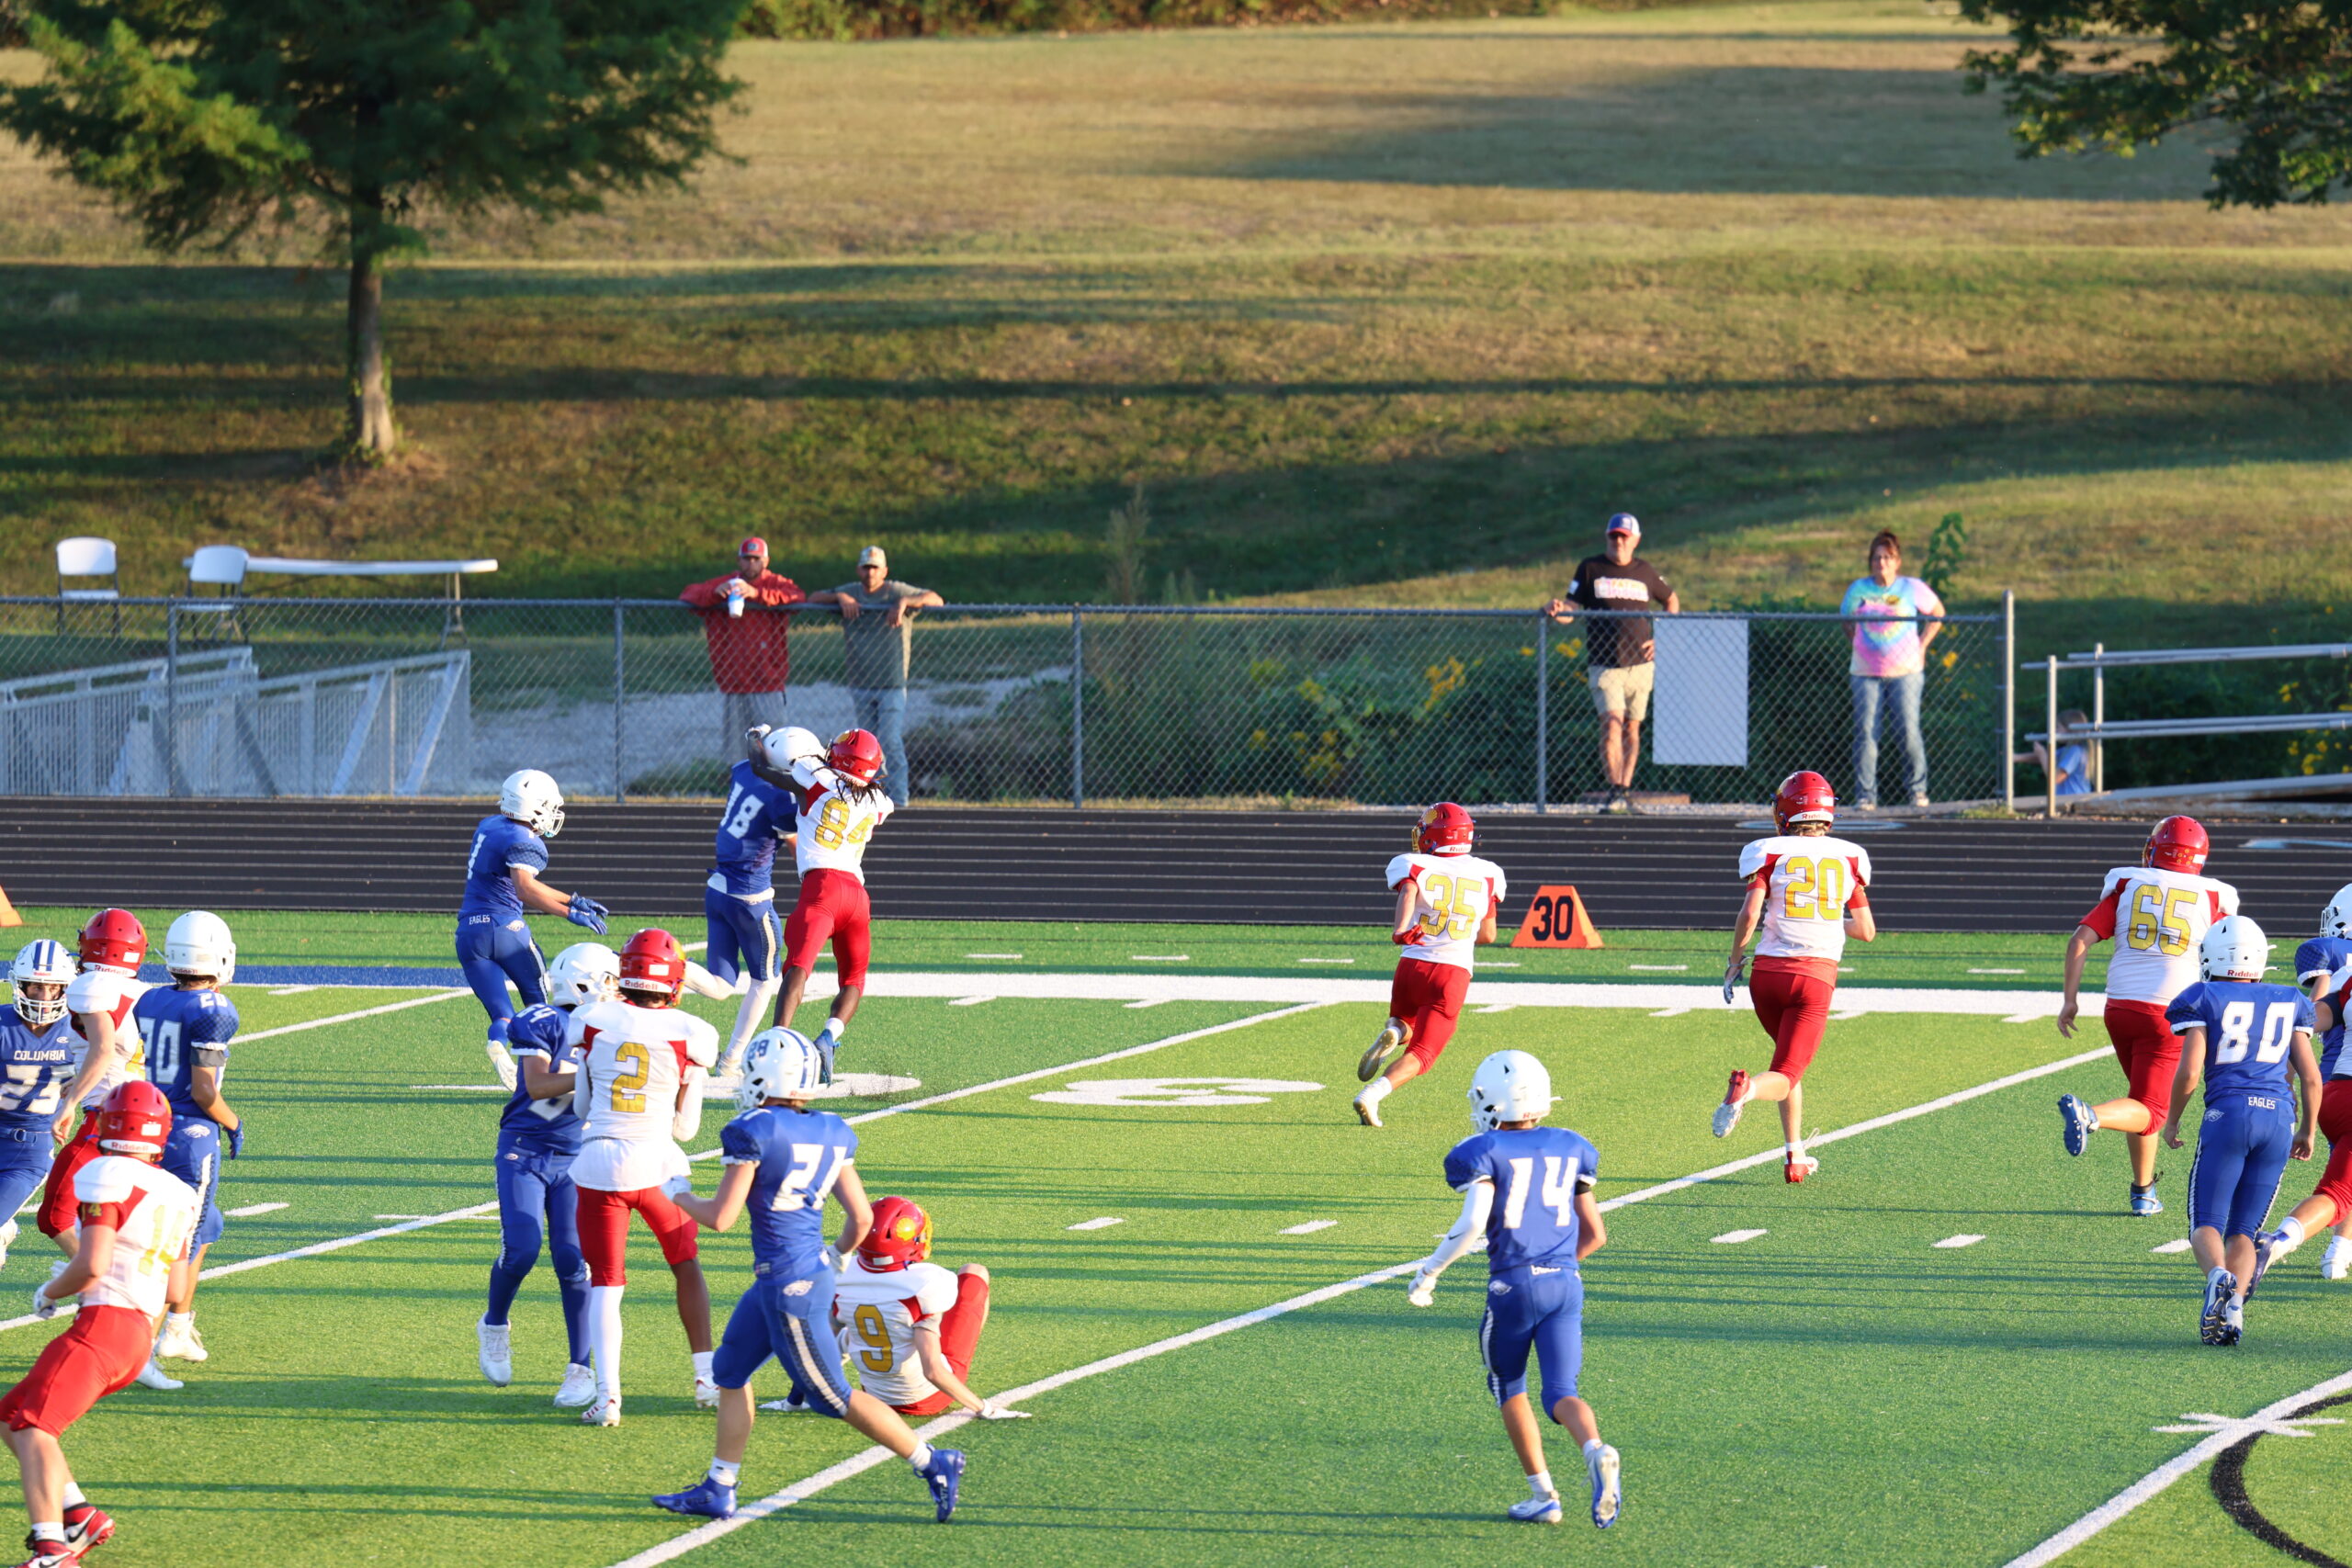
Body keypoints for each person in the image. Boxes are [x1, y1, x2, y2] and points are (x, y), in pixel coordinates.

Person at [650, 1027, 968, 1524]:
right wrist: (835, 1258)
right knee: (729, 1371)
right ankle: (719, 1486)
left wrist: (677, 1192)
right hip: (798, 1272)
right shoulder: (832, 1129)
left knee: (830, 1396)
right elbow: (860, 1219)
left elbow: (721, 1217)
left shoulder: (752, 1129)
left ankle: (932, 1461)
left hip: (787, 1285)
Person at [1404, 1050, 1621, 1529]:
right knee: (1561, 1391)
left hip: (1514, 1286)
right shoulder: (1572, 1145)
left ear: (1493, 1101)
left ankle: (1544, 1496)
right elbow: (1596, 1235)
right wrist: (1555, 1268)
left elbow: (1471, 1225)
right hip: (1566, 1283)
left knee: (1508, 1385)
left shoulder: (1480, 1150)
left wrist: (1429, 1273)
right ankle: (1595, 1448)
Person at [4, 1081, 197, 1568]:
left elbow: (92, 1265)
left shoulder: (106, 1174)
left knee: (33, 1428)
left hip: (103, 1328)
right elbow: (176, 1289)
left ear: (109, 1123)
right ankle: (79, 1515)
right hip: (138, 1339)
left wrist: (51, 1291)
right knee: (10, 1415)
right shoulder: (178, 1192)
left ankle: (51, 1548)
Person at [564, 928, 720, 1427]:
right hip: (658, 1167)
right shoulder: (693, 1032)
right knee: (686, 1264)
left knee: (607, 1283)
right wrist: (691, 1079)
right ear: (673, 981)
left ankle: (608, 1397)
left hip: (599, 1164)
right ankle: (706, 1378)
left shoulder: (591, 1020)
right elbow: (686, 1129)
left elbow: (582, 1108)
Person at [2055, 816, 2237, 1215]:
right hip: (2171, 1012)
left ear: (2156, 849)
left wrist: (2070, 1000)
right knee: (2152, 1110)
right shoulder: (2212, 897)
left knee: (2141, 1102)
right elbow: (2231, 957)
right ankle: (2091, 1115)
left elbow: (2079, 940)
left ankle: (2143, 1191)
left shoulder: (2128, 885)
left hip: (2120, 1008)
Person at [2156, 917, 2318, 1345]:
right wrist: (2308, 1129)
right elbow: (2310, 1076)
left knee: (2206, 1222)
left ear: (2210, 956)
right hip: (2279, 1118)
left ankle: (2217, 1277)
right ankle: (2234, 1312)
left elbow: (2191, 1070)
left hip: (2227, 1114)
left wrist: (2172, 1120)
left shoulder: (2202, 995)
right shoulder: (2289, 998)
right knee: (2244, 1229)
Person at [1713, 771, 1876, 1183]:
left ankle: (1795, 1154)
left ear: (1784, 812)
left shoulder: (1768, 852)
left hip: (1767, 975)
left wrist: (1734, 961)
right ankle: (1746, 1090)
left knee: (1787, 1065)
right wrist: (1827, 919)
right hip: (1814, 978)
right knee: (1785, 1074)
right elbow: (1866, 930)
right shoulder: (1848, 857)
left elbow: (1751, 913)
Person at [476, 942, 618, 1410]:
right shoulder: (544, 1020)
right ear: (585, 982)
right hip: (525, 1149)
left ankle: (581, 1368)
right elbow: (538, 1086)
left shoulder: (615, 1027)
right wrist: (594, 1072)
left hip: (578, 1156)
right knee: (522, 1248)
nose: (616, 990)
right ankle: (495, 1324)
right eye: (609, 980)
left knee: (574, 1260)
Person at [132, 911, 243, 1380]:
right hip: (190, 1135)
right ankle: (140, 1354)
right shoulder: (214, 1010)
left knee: (207, 1225)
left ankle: (178, 1326)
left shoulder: (151, 999)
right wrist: (233, 1123)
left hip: (151, 1127)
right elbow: (203, 1091)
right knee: (178, 1244)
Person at [1354, 803, 1508, 1129]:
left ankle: (1395, 1031)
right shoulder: (1488, 872)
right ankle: (1371, 1095)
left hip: (1412, 963)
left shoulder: (1413, 864)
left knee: (1404, 1021)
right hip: (1452, 972)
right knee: (1423, 1053)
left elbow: (1409, 890)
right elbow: (1489, 935)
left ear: (1437, 836)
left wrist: (1401, 928)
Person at [459, 769, 607, 1093]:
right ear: (534, 806)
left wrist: (572, 899)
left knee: (503, 1015)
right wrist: (569, 913)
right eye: (550, 806)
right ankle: (548, 1072)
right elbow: (525, 888)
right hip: (507, 931)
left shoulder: (490, 825)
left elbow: (522, 882)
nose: (554, 814)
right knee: (539, 1006)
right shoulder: (526, 841)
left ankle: (499, 1044)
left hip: (469, 935)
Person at [768, 728, 895, 1078]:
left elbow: (766, 771)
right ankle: (828, 1036)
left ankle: (778, 1039)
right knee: (853, 979)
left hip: (823, 887)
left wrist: (755, 744)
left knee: (798, 967)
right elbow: (864, 789)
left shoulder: (817, 778)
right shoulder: (878, 800)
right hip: (857, 896)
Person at [831, 1194, 1023, 1421]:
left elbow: (819, 1343)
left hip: (874, 1395)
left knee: (853, 1328)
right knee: (974, 1273)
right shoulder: (924, 1283)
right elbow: (933, 1371)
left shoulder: (840, 1273)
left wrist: (801, 1395)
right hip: (926, 1399)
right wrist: (985, 1409)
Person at [35, 911, 151, 1262]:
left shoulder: (91, 986)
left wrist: (70, 1102)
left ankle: (100, 1278)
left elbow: (103, 1050)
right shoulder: (144, 992)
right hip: (147, 1116)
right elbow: (121, 1054)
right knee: (116, 1218)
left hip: (108, 1120)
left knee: (55, 1217)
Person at [1545, 513, 1677, 814]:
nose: (1618, 541)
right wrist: (1556, 609)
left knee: (1632, 727)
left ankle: (1624, 789)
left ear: (1635, 540)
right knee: (1611, 723)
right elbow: (1571, 608)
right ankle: (1614, 788)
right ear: (1607, 537)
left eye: (1624, 537)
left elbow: (1671, 600)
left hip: (1640, 665)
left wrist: (1665, 636)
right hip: (1605, 664)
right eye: (1614, 536)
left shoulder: (1645, 571)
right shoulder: (1591, 568)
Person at [806, 547, 944, 810]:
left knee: (890, 740)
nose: (871, 572)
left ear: (885, 570)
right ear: (859, 570)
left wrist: (904, 602)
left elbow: (936, 599)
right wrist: (840, 597)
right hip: (861, 682)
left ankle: (899, 799)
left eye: (875, 567)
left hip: (892, 683)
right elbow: (812, 598)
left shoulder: (895, 590)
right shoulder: (852, 591)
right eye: (866, 567)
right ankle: (871, 799)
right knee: (865, 748)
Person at [2245, 952, 2352, 1290]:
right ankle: (2277, 1243)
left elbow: (2310, 1018)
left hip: (2335, 1095)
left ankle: (2340, 1249)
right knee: (2337, 1194)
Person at [706, 728, 798, 1078]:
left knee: (720, 986)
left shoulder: (744, 770)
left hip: (717, 888)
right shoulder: (782, 799)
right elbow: (797, 846)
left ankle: (672, 968)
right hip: (750, 899)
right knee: (766, 981)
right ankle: (730, 1061)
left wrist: (757, 740)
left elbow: (757, 760)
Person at [0, 943, 94, 1274]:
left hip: (28, 1152)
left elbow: (109, 1069)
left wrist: (76, 1096)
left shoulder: (82, 1030)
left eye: (53, 987)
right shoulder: (3, 1024)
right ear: (20, 985)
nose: (44, 996)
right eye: (36, 986)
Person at [1839, 530, 1945, 810]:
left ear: (1897, 561)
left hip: (1906, 671)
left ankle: (1917, 790)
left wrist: (1922, 645)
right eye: (1877, 557)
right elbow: (1846, 620)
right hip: (1866, 672)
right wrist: (1859, 645)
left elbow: (1937, 613)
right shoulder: (1858, 589)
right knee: (1866, 732)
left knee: (1908, 730)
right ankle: (1866, 794)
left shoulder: (1911, 587)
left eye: (1887, 557)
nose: (1882, 563)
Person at [680, 536, 808, 755]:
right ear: (739, 561)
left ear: (766, 561)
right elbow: (688, 596)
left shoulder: (774, 583)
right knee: (738, 752)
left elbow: (798, 598)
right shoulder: (728, 583)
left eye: (756, 559)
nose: (751, 563)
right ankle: (742, 779)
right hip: (734, 682)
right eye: (747, 559)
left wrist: (757, 594)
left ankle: (772, 779)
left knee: (774, 751)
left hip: (768, 682)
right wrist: (715, 593)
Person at [2289, 885, 2352, 1277]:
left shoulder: (2329, 951)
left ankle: (2339, 1248)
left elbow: (2309, 1017)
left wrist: (2289, 1072)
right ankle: (2336, 1249)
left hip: (2332, 1074)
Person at [2014, 708, 2093, 798]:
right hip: (2068, 799)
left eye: (2057, 727)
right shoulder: (2068, 750)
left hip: (2073, 800)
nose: (2054, 731)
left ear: (2069, 729)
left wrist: (2042, 754)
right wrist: (2016, 757)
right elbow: (2047, 758)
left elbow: (2055, 778)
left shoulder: (2075, 751)